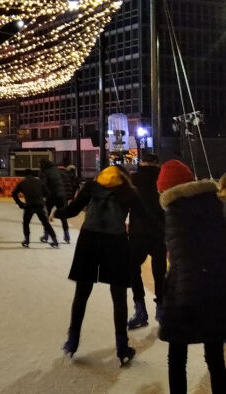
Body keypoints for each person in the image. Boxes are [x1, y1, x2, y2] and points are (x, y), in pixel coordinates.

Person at [54, 166, 146, 366]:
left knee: (82, 293)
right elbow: (145, 217)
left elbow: (73, 210)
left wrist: (57, 212)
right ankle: (122, 347)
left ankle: (72, 341)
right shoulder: (128, 192)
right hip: (116, 243)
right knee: (119, 296)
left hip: (89, 241)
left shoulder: (90, 187)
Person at [155, 160, 226, 393]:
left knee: (177, 358)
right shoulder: (214, 203)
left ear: (167, 188)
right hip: (216, 290)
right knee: (215, 356)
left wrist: (185, 301)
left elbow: (183, 257)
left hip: (185, 295)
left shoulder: (176, 211)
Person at [126, 153, 166, 330]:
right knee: (160, 272)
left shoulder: (133, 179)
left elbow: (123, 204)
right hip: (160, 232)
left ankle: (140, 309)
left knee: (132, 267)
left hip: (138, 232)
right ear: (157, 164)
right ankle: (162, 310)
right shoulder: (163, 179)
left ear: (142, 163)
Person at [12, 169, 58, 248]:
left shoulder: (22, 182)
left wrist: (20, 203)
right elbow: (48, 193)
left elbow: (14, 193)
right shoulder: (39, 181)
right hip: (40, 205)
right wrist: (41, 198)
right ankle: (55, 241)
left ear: (25, 175)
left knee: (26, 223)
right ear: (32, 174)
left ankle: (26, 241)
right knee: (46, 223)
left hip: (29, 206)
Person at [39, 160, 71, 243]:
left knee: (47, 215)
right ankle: (67, 235)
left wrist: (44, 195)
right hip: (61, 195)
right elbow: (65, 180)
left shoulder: (44, 172)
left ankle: (46, 235)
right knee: (63, 215)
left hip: (51, 196)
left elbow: (43, 184)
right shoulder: (58, 170)